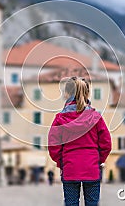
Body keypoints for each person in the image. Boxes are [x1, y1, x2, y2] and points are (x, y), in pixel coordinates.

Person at [48, 77, 112, 206]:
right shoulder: (96, 117)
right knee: (92, 203)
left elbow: (53, 145)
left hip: (70, 167)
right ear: (87, 93)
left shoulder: (60, 118)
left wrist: (62, 161)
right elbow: (106, 144)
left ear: (66, 94)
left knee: (71, 203)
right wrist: (98, 160)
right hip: (91, 167)